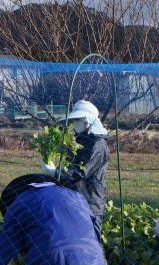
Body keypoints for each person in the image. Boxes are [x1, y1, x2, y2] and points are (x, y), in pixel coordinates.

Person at [42, 100, 109, 240]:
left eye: (76, 120)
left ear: (87, 122)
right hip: (74, 199)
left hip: (90, 202)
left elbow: (80, 172)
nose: (73, 123)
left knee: (91, 244)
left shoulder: (97, 144)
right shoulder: (79, 140)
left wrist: (55, 173)